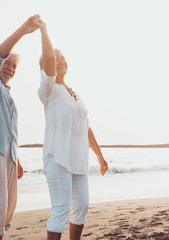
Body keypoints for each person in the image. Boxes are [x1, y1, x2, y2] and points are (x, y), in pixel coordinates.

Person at [37, 20, 109, 240]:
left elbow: (85, 126)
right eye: (56, 59)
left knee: (82, 206)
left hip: (78, 159)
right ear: (47, 67)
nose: (60, 61)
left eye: (63, 59)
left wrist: (100, 156)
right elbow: (48, 57)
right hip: (58, 158)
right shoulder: (49, 90)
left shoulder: (73, 92)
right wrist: (43, 30)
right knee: (60, 209)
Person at [0, 15, 41, 240]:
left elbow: (9, 132)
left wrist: (17, 159)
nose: (10, 68)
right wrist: (23, 30)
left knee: (3, 218)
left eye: (14, 66)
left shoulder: (7, 94)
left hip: (9, 157)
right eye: (7, 63)